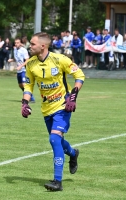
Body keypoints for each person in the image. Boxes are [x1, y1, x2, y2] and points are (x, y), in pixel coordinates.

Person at [21, 32, 85, 191]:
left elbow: (79, 75)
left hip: (63, 105)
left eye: (33, 43)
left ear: (43, 45)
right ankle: (73, 153)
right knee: (58, 140)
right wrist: (24, 103)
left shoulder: (60, 59)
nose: (30, 46)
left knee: (54, 139)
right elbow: (28, 86)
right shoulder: (30, 64)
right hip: (46, 108)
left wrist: (73, 97)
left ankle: (57, 181)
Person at [8, 38, 35, 102]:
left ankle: (31, 97)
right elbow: (16, 58)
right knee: (20, 85)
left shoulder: (24, 50)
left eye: (17, 43)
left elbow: (27, 60)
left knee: (24, 84)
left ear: (20, 43)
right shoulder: (15, 50)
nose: (16, 44)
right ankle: (27, 95)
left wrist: (21, 66)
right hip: (19, 70)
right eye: (15, 43)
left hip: (24, 70)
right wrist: (11, 60)